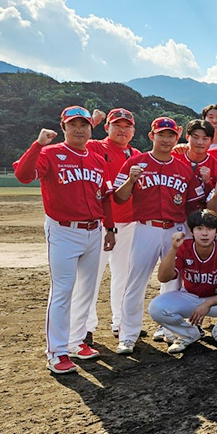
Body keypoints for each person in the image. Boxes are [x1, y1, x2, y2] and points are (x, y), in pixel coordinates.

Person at [13, 106, 115, 374]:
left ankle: (75, 341)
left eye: (83, 125)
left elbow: (104, 197)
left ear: (91, 129)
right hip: (63, 231)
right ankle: (56, 352)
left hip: (94, 230)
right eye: (73, 125)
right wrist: (37, 145)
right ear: (63, 128)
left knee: (87, 290)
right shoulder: (50, 153)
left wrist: (110, 228)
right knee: (62, 290)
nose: (78, 129)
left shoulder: (97, 160)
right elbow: (23, 176)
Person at [112, 117, 206, 354]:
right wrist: (131, 180)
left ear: (177, 138)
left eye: (170, 135)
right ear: (151, 135)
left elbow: (194, 204)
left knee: (174, 282)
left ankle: (171, 330)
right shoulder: (136, 162)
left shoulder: (183, 168)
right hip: (146, 227)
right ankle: (128, 335)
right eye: (161, 134)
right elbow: (119, 198)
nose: (166, 139)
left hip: (176, 228)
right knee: (136, 281)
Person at [148, 210, 217, 354]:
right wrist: (173, 249)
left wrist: (208, 303)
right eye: (199, 228)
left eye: (210, 229)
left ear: (216, 232)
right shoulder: (183, 247)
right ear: (192, 231)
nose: (205, 233)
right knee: (156, 307)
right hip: (191, 297)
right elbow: (163, 277)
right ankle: (188, 334)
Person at [83, 108, 139, 342]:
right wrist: (91, 123)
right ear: (107, 127)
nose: (122, 130)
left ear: (134, 131)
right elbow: (76, 143)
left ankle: (121, 322)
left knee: (124, 275)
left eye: (127, 126)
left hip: (129, 222)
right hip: (101, 222)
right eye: (117, 125)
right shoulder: (96, 147)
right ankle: (85, 327)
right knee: (91, 276)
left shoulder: (136, 154)